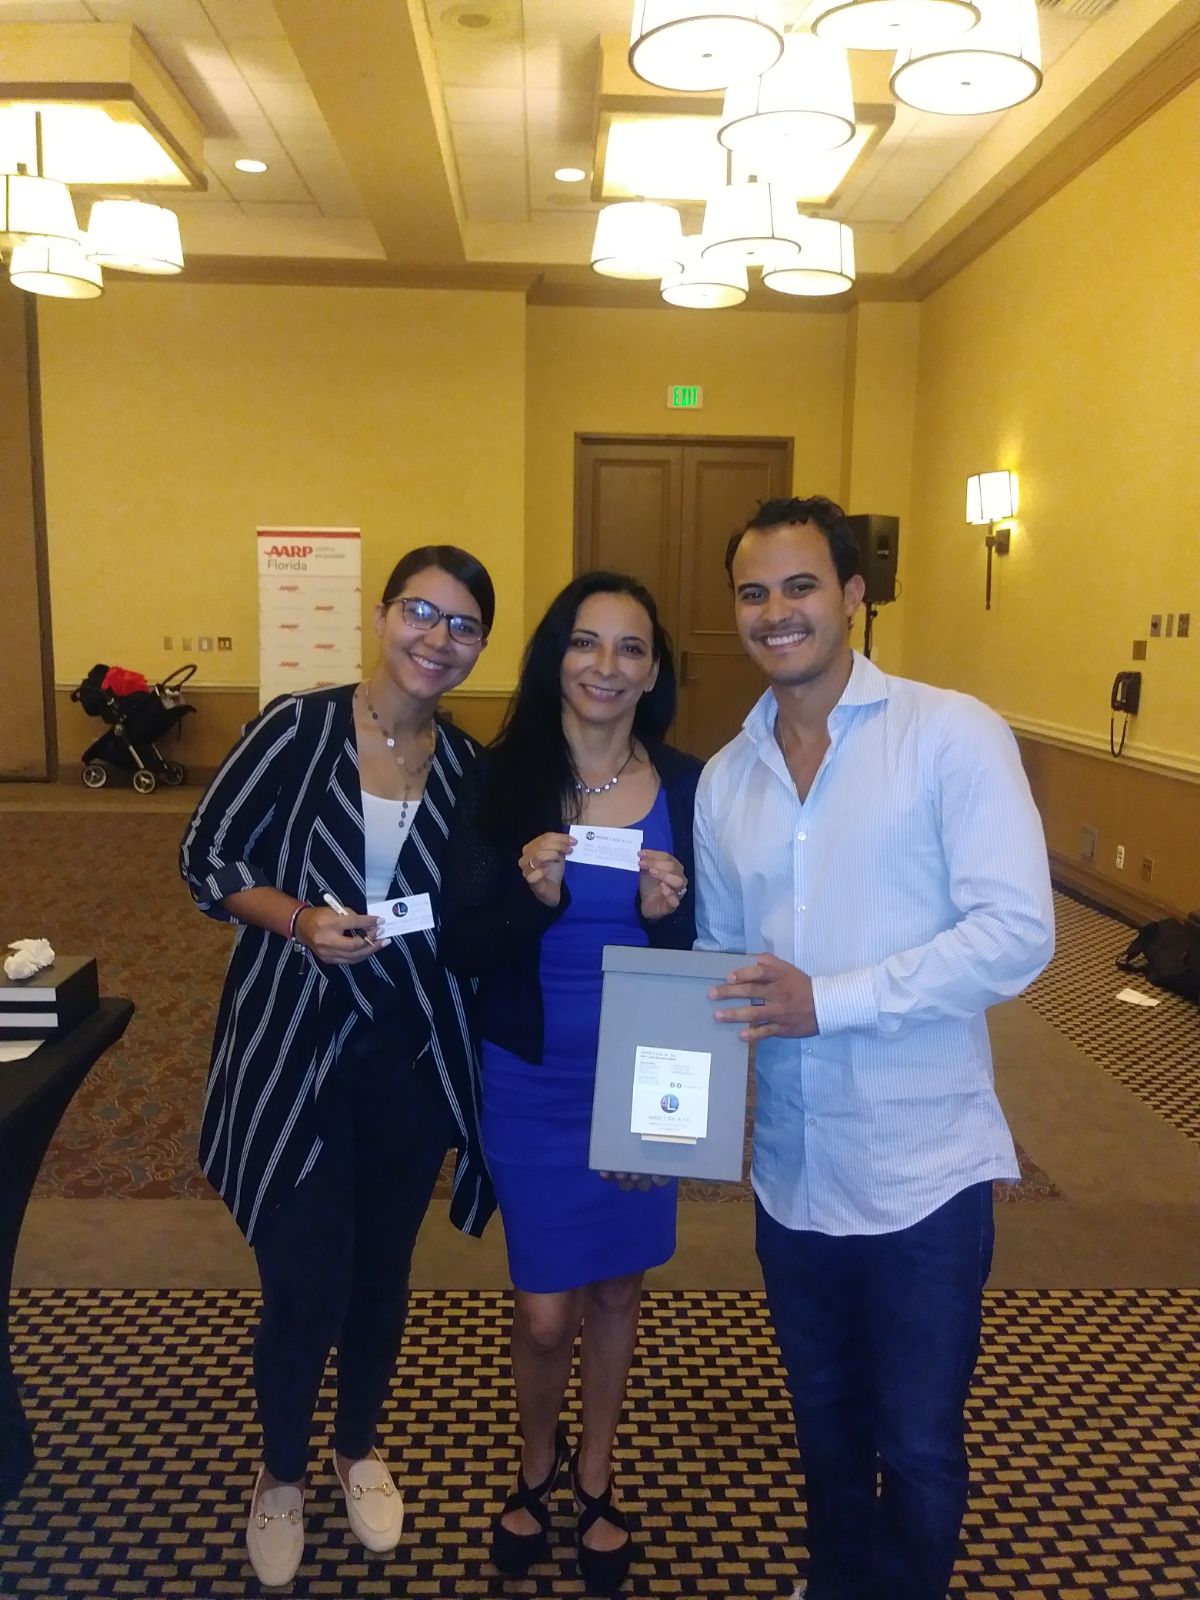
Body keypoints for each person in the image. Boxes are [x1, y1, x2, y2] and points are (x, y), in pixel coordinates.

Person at [693, 497, 1055, 1600]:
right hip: (794, 1172)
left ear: (853, 595)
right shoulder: (726, 779)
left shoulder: (950, 734)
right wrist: (660, 1117)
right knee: (824, 1423)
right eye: (754, 592)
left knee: (921, 1440)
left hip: (923, 1171)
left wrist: (832, 1002)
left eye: (801, 586)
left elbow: (1016, 933)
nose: (776, 611)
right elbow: (721, 964)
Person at [179, 545, 496, 1588]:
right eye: (421, 612)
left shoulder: (468, 768)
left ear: (480, 647)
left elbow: (476, 909)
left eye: (462, 625)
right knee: (304, 1282)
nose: (437, 639)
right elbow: (207, 857)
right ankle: (280, 1474)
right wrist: (298, 918)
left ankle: (357, 1447)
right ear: (382, 613)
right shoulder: (299, 728)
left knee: (381, 1275)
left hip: (407, 1057)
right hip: (295, 1050)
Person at [441, 571, 700, 1595]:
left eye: (631, 646)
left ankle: (594, 1475)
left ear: (654, 669)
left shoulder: (689, 784)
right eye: (587, 642)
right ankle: (534, 1462)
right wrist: (532, 901)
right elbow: (463, 945)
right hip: (533, 1078)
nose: (606, 665)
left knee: (619, 1289)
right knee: (546, 1311)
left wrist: (667, 920)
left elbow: (709, 947)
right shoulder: (499, 781)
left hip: (647, 1073)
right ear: (556, 656)